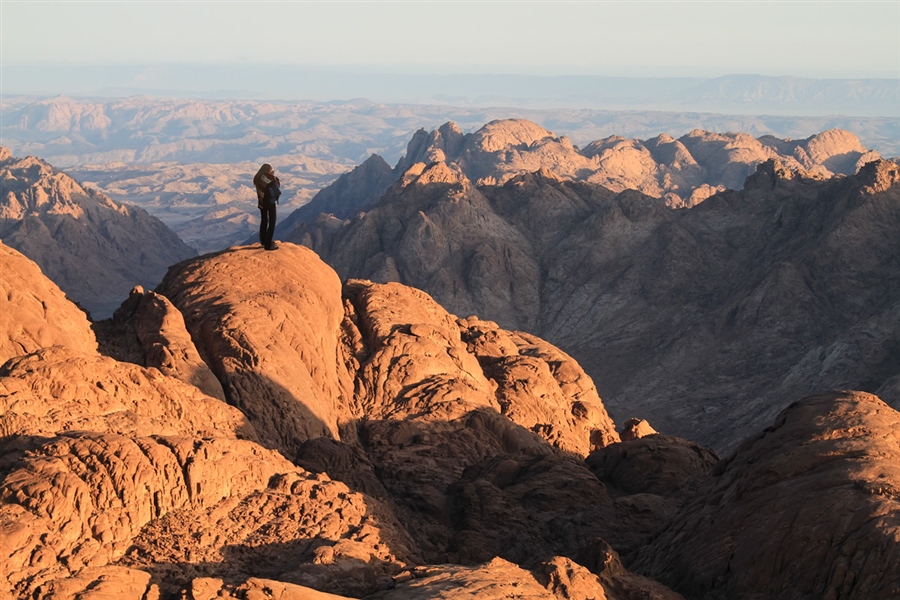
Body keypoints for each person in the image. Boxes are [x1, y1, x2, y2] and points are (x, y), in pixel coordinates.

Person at [253, 163, 281, 250]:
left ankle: (263, 241)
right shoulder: (269, 178)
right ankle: (268, 245)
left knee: (264, 221)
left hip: (261, 203)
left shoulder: (258, 178)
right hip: (270, 202)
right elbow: (276, 187)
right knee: (272, 222)